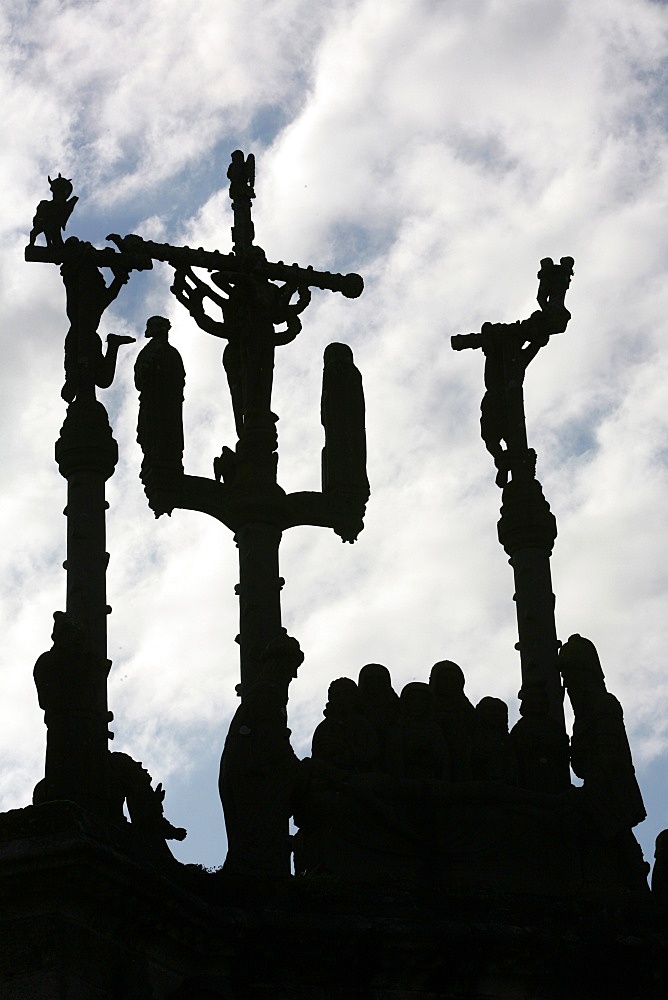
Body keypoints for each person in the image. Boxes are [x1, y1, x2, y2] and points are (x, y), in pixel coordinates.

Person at [134, 316, 185, 483]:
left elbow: (180, 379)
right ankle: (154, 458)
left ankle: (165, 459)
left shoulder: (170, 353)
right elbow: (140, 380)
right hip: (155, 401)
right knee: (154, 432)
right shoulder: (151, 352)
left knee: (167, 433)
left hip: (168, 402)